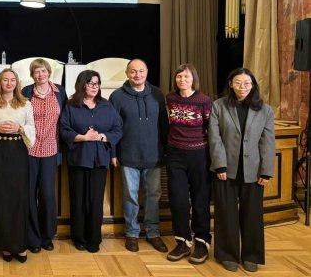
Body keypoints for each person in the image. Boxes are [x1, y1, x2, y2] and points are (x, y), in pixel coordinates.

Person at [209, 68, 275, 273]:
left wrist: (266, 170)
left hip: (253, 171)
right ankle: (227, 255)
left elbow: (267, 142)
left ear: (253, 85)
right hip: (224, 169)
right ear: (230, 84)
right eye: (238, 82)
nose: (242, 87)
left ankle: (251, 255)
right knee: (226, 214)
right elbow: (215, 138)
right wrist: (220, 165)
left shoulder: (265, 110)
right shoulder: (218, 106)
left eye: (247, 83)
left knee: (252, 215)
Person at [109, 58, 168, 253]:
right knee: (130, 196)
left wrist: (166, 150)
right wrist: (113, 153)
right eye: (133, 71)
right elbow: (113, 128)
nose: (137, 75)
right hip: (128, 156)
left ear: (147, 72)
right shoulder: (117, 96)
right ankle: (132, 233)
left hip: (154, 156)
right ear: (127, 73)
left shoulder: (157, 94)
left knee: (153, 196)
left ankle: (153, 232)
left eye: (141, 71)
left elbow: (164, 125)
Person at [60, 70, 123, 253]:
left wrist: (103, 136)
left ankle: (94, 238)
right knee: (78, 200)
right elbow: (64, 130)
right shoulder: (71, 105)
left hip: (99, 160)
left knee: (95, 201)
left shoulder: (107, 105)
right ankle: (78, 238)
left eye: (97, 83)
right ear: (82, 85)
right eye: (90, 83)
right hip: (78, 159)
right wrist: (83, 137)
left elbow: (118, 129)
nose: (95, 87)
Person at [0, 69, 36, 263]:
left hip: (18, 152)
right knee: (2, 198)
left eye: (12, 80)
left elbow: (32, 129)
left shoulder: (25, 103)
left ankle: (20, 245)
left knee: (19, 198)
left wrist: (20, 128)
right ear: (0, 82)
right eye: (5, 80)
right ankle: (5, 245)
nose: (9, 83)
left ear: (17, 83)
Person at [165, 64, 212, 264]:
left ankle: (201, 241)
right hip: (175, 155)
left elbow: (211, 128)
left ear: (193, 79)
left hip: (199, 154)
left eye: (186, 76)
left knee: (200, 199)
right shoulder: (170, 98)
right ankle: (182, 241)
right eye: (179, 76)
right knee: (178, 200)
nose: (182, 80)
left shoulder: (204, 101)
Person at [21, 58, 67, 253]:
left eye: (43, 71)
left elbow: (65, 119)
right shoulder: (26, 92)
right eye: (36, 72)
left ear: (49, 72)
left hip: (50, 149)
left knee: (47, 194)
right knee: (30, 194)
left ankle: (47, 236)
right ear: (32, 75)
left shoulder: (60, 92)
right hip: (29, 149)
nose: (40, 74)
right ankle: (32, 237)